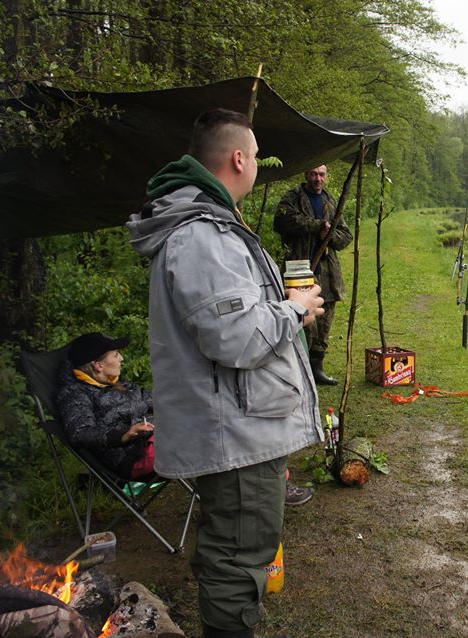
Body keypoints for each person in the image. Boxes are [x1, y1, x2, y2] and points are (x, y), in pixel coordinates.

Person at [127, 108, 325, 638]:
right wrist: (296, 310)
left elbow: (229, 318)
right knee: (238, 560)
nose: (258, 163)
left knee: (235, 553)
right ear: (239, 158)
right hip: (237, 431)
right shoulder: (202, 235)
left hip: (238, 423)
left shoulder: (209, 226)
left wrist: (280, 304)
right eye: (257, 155)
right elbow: (236, 339)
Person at [274, 164, 353, 385]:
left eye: (321, 175)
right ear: (306, 175)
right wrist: (317, 226)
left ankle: (317, 368)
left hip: (327, 273)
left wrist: (330, 235)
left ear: (326, 177)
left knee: (324, 320)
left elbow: (346, 235)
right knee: (303, 319)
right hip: (300, 270)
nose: (317, 179)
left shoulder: (331, 201)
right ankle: (298, 368)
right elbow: (282, 222)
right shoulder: (293, 198)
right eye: (313, 174)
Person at [55, 332, 155, 479]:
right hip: (132, 456)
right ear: (98, 365)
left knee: (195, 422)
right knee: (194, 437)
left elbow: (149, 398)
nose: (122, 358)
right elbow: (81, 433)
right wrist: (123, 434)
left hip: (153, 440)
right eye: (115, 355)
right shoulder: (75, 393)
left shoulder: (115, 383)